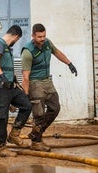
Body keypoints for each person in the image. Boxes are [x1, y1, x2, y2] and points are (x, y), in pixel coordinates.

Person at [21, 23, 77, 152]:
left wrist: (69, 63)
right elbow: (25, 76)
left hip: (47, 81)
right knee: (39, 115)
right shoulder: (27, 52)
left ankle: (36, 133)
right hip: (35, 83)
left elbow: (57, 52)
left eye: (44, 36)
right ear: (33, 36)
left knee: (55, 107)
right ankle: (36, 142)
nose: (42, 39)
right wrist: (26, 93)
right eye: (39, 36)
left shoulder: (47, 43)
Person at [0, 25, 32, 157]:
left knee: (26, 106)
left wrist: (15, 82)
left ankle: (14, 134)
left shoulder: (7, 48)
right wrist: (2, 77)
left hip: (10, 87)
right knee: (2, 118)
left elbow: (8, 69)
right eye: (17, 40)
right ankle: (1, 148)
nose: (16, 42)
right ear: (16, 36)